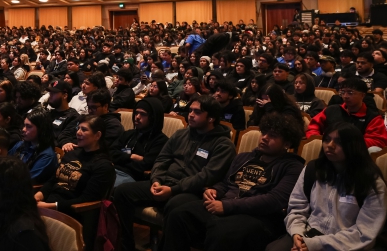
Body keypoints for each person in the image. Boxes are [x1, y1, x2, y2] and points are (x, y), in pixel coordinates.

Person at [162, 113, 305, 251]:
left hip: (258, 216)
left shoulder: (293, 167)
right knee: (178, 215)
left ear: (287, 143)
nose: (264, 138)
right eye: (264, 132)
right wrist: (215, 190)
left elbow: (274, 200)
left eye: (273, 136)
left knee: (223, 231)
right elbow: (226, 183)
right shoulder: (244, 157)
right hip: (226, 204)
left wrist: (227, 206)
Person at [113, 96, 237, 251]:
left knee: (175, 207)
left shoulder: (223, 145)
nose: (190, 114)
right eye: (190, 110)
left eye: (197, 112)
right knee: (122, 192)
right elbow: (161, 160)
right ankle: (126, 245)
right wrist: (156, 180)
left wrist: (173, 190)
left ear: (211, 118)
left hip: (191, 191)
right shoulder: (180, 134)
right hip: (165, 183)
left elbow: (206, 176)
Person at [266, 123, 387, 251]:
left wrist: (316, 244)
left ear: (354, 146)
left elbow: (365, 232)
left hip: (346, 244)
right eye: (327, 139)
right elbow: (297, 208)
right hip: (307, 234)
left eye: (339, 141)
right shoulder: (313, 170)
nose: (330, 145)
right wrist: (297, 233)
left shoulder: (371, 183)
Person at [35, 115, 115, 214]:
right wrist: (38, 196)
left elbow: (87, 199)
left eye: (84, 129)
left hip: (71, 212)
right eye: (78, 128)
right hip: (47, 204)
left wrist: (51, 206)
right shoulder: (72, 153)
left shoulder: (103, 165)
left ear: (97, 135)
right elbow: (53, 181)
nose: (78, 132)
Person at [306, 77, 387, 150]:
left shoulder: (372, 117)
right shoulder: (331, 110)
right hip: (328, 150)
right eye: (343, 92)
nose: (345, 96)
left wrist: (346, 144)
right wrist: (319, 140)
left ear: (362, 95)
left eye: (350, 93)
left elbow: (378, 141)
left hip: (357, 154)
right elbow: (313, 126)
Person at [110, 97, 168, 186]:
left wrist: (121, 159)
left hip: (131, 177)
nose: (137, 117)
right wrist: (131, 157)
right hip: (112, 170)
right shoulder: (128, 134)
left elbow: (146, 165)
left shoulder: (161, 141)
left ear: (153, 117)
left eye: (143, 114)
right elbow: (111, 152)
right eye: (136, 113)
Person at [8, 107, 58, 185]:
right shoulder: (20, 144)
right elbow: (5, 163)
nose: (23, 129)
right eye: (24, 125)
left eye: (29, 126)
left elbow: (27, 181)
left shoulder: (46, 155)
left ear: (41, 129)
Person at [46, 80, 79, 147]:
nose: (50, 95)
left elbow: (64, 137)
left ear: (64, 96)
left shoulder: (73, 117)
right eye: (50, 92)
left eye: (54, 93)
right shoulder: (49, 113)